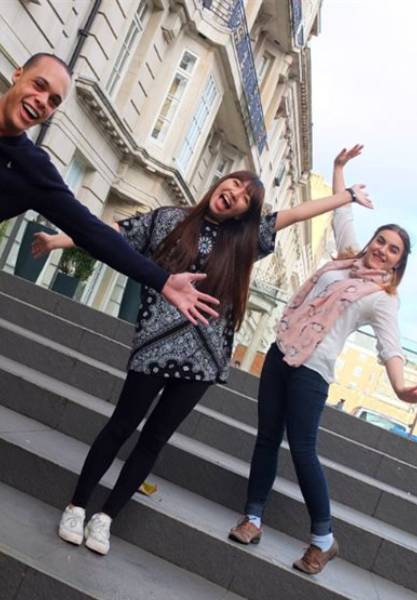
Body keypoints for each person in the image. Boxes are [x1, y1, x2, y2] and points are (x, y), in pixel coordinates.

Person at [33, 167, 372, 556]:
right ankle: (76, 506)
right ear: (221, 182)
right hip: (156, 345)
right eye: (235, 184)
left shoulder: (243, 241)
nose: (236, 194)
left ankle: (107, 517)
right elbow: (109, 234)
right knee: (121, 426)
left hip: (203, 360)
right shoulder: (168, 220)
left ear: (244, 213)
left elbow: (295, 214)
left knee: (154, 440)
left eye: (246, 198)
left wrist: (346, 196)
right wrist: (58, 241)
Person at [229, 145, 417, 575]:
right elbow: (341, 214)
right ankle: (252, 518)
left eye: (393, 251)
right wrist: (339, 169)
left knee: (303, 450)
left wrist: (400, 388)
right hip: (280, 353)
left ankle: (323, 539)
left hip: (313, 372)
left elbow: (390, 347)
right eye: (381, 241)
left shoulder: (382, 299)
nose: (382, 250)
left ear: (398, 265)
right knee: (266, 438)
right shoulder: (346, 259)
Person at [0, 52, 219, 324]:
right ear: (18, 74)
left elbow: (92, 232)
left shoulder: (33, 170)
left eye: (54, 101)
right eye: (39, 85)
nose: (42, 101)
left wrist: (162, 280)